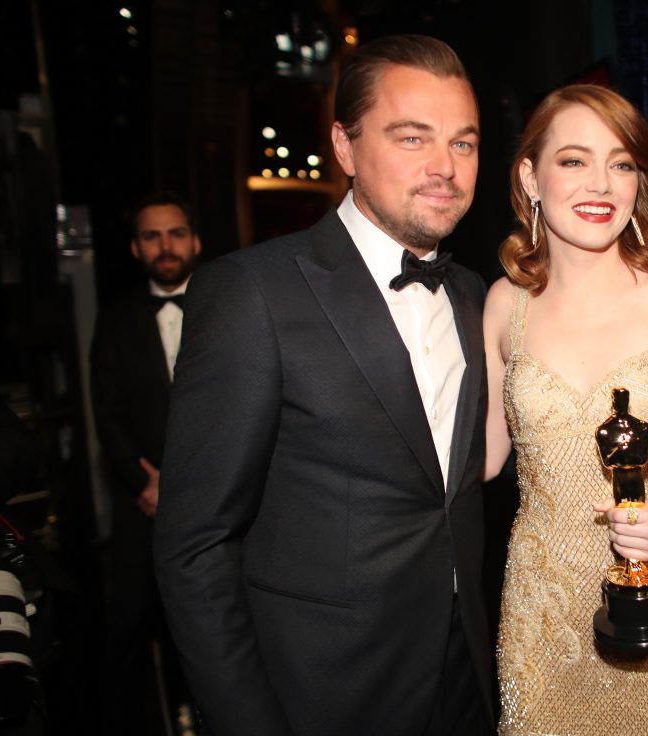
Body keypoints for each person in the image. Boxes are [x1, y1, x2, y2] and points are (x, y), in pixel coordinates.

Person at [153, 35, 493, 736]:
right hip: (325, 696)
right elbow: (194, 545)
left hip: (465, 683)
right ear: (344, 147)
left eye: (463, 144)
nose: (444, 168)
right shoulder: (253, 293)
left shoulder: (473, 296)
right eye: (411, 137)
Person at [483, 85, 648, 735]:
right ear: (529, 177)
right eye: (573, 160)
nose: (601, 182)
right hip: (541, 618)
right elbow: (479, 460)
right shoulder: (502, 305)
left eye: (622, 163)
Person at [89, 191, 201, 734]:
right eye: (152, 236)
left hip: (216, 499)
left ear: (195, 241)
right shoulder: (113, 321)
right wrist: (144, 482)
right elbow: (105, 414)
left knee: (205, 629)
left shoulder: (226, 303)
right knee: (130, 625)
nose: (166, 245)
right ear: (136, 249)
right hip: (145, 504)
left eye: (175, 233)